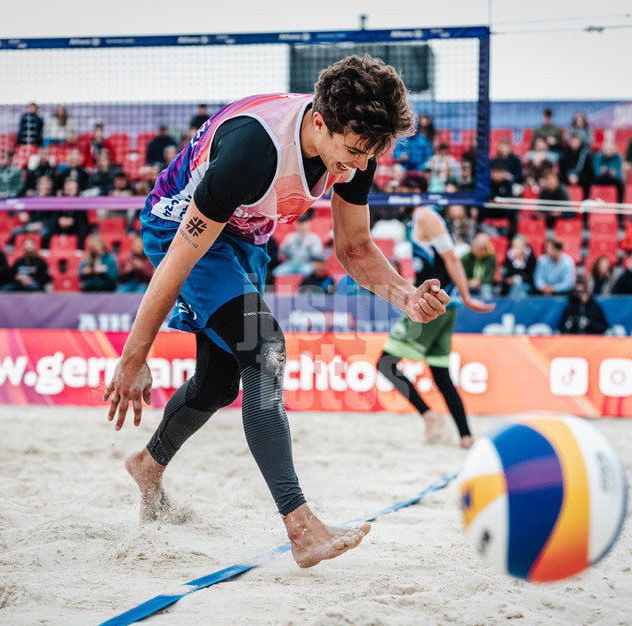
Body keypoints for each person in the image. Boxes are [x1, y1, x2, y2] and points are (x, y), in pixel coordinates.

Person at [106, 55, 444, 569]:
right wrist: (134, 357)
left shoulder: (357, 145)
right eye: (351, 153)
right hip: (181, 226)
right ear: (318, 121)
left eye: (367, 156)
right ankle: (301, 526)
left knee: (221, 381)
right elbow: (180, 257)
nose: (355, 167)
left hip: (245, 234)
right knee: (264, 350)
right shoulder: (253, 151)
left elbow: (353, 249)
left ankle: (148, 464)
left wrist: (405, 295)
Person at [376, 174, 495, 451]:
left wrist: (467, 297)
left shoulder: (425, 215)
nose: (397, 195)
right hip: (443, 306)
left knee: (385, 364)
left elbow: (451, 258)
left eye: (402, 190)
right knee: (441, 375)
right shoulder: (417, 220)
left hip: (432, 305)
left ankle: (430, 417)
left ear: (413, 192)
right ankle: (465, 437)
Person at [461, 232, 496, 298]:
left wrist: (479, 282)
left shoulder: (491, 257)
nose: (480, 247)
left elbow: (490, 276)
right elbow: (463, 274)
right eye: (479, 243)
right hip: (469, 283)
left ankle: (486, 307)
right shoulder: (466, 257)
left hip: (484, 283)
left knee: (486, 290)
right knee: (460, 289)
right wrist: (469, 282)